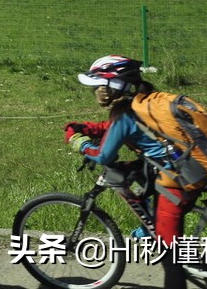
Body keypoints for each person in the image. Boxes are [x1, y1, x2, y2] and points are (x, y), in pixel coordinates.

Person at [66, 55, 198, 289]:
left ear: (113, 87)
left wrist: (78, 141)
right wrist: (92, 128)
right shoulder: (142, 100)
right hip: (183, 167)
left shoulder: (124, 114)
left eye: (99, 86)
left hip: (177, 181)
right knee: (137, 179)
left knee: (170, 259)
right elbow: (125, 130)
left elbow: (103, 155)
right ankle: (149, 231)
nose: (96, 91)